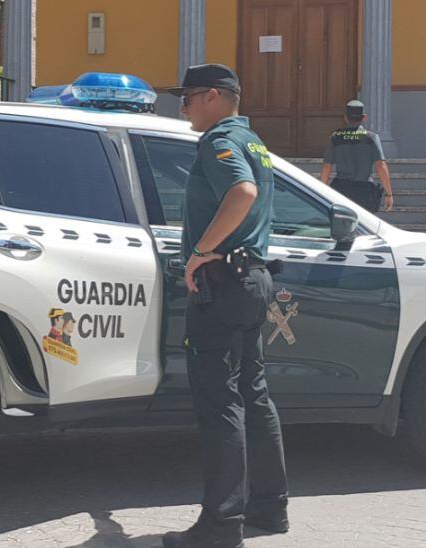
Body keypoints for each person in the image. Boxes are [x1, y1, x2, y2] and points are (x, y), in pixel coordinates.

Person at [163, 64, 290, 548]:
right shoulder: (253, 140)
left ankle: (219, 527)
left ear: (213, 97)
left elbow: (242, 192)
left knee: (220, 404)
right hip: (251, 279)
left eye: (188, 97)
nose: (184, 106)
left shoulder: (218, 141)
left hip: (222, 284)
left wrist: (198, 254)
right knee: (254, 396)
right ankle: (269, 510)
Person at [319, 100, 393, 213]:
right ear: (364, 117)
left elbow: (327, 166)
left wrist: (321, 191)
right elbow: (381, 166)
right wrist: (389, 194)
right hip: (364, 190)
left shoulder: (335, 137)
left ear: (345, 117)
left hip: (341, 189)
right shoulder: (371, 138)